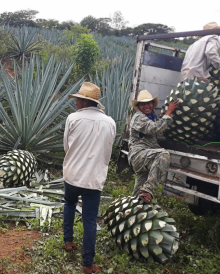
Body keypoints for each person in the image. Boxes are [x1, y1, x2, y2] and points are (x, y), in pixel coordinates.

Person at [63, 82, 116, 274]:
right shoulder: (110, 122)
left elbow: (66, 148)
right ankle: (87, 264)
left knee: (69, 204)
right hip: (94, 179)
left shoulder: (72, 119)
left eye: (78, 100)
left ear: (85, 101)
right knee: (90, 220)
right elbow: (107, 152)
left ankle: (68, 241)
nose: (76, 103)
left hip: (72, 175)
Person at [128, 90, 180, 203]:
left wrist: (163, 117)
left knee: (137, 195)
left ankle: (132, 211)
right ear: (139, 106)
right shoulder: (139, 117)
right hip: (139, 155)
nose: (146, 106)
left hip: (146, 156)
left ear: (152, 104)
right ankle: (148, 190)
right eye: (143, 104)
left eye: (149, 103)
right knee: (163, 155)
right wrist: (169, 112)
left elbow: (157, 125)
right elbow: (155, 128)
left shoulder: (151, 117)